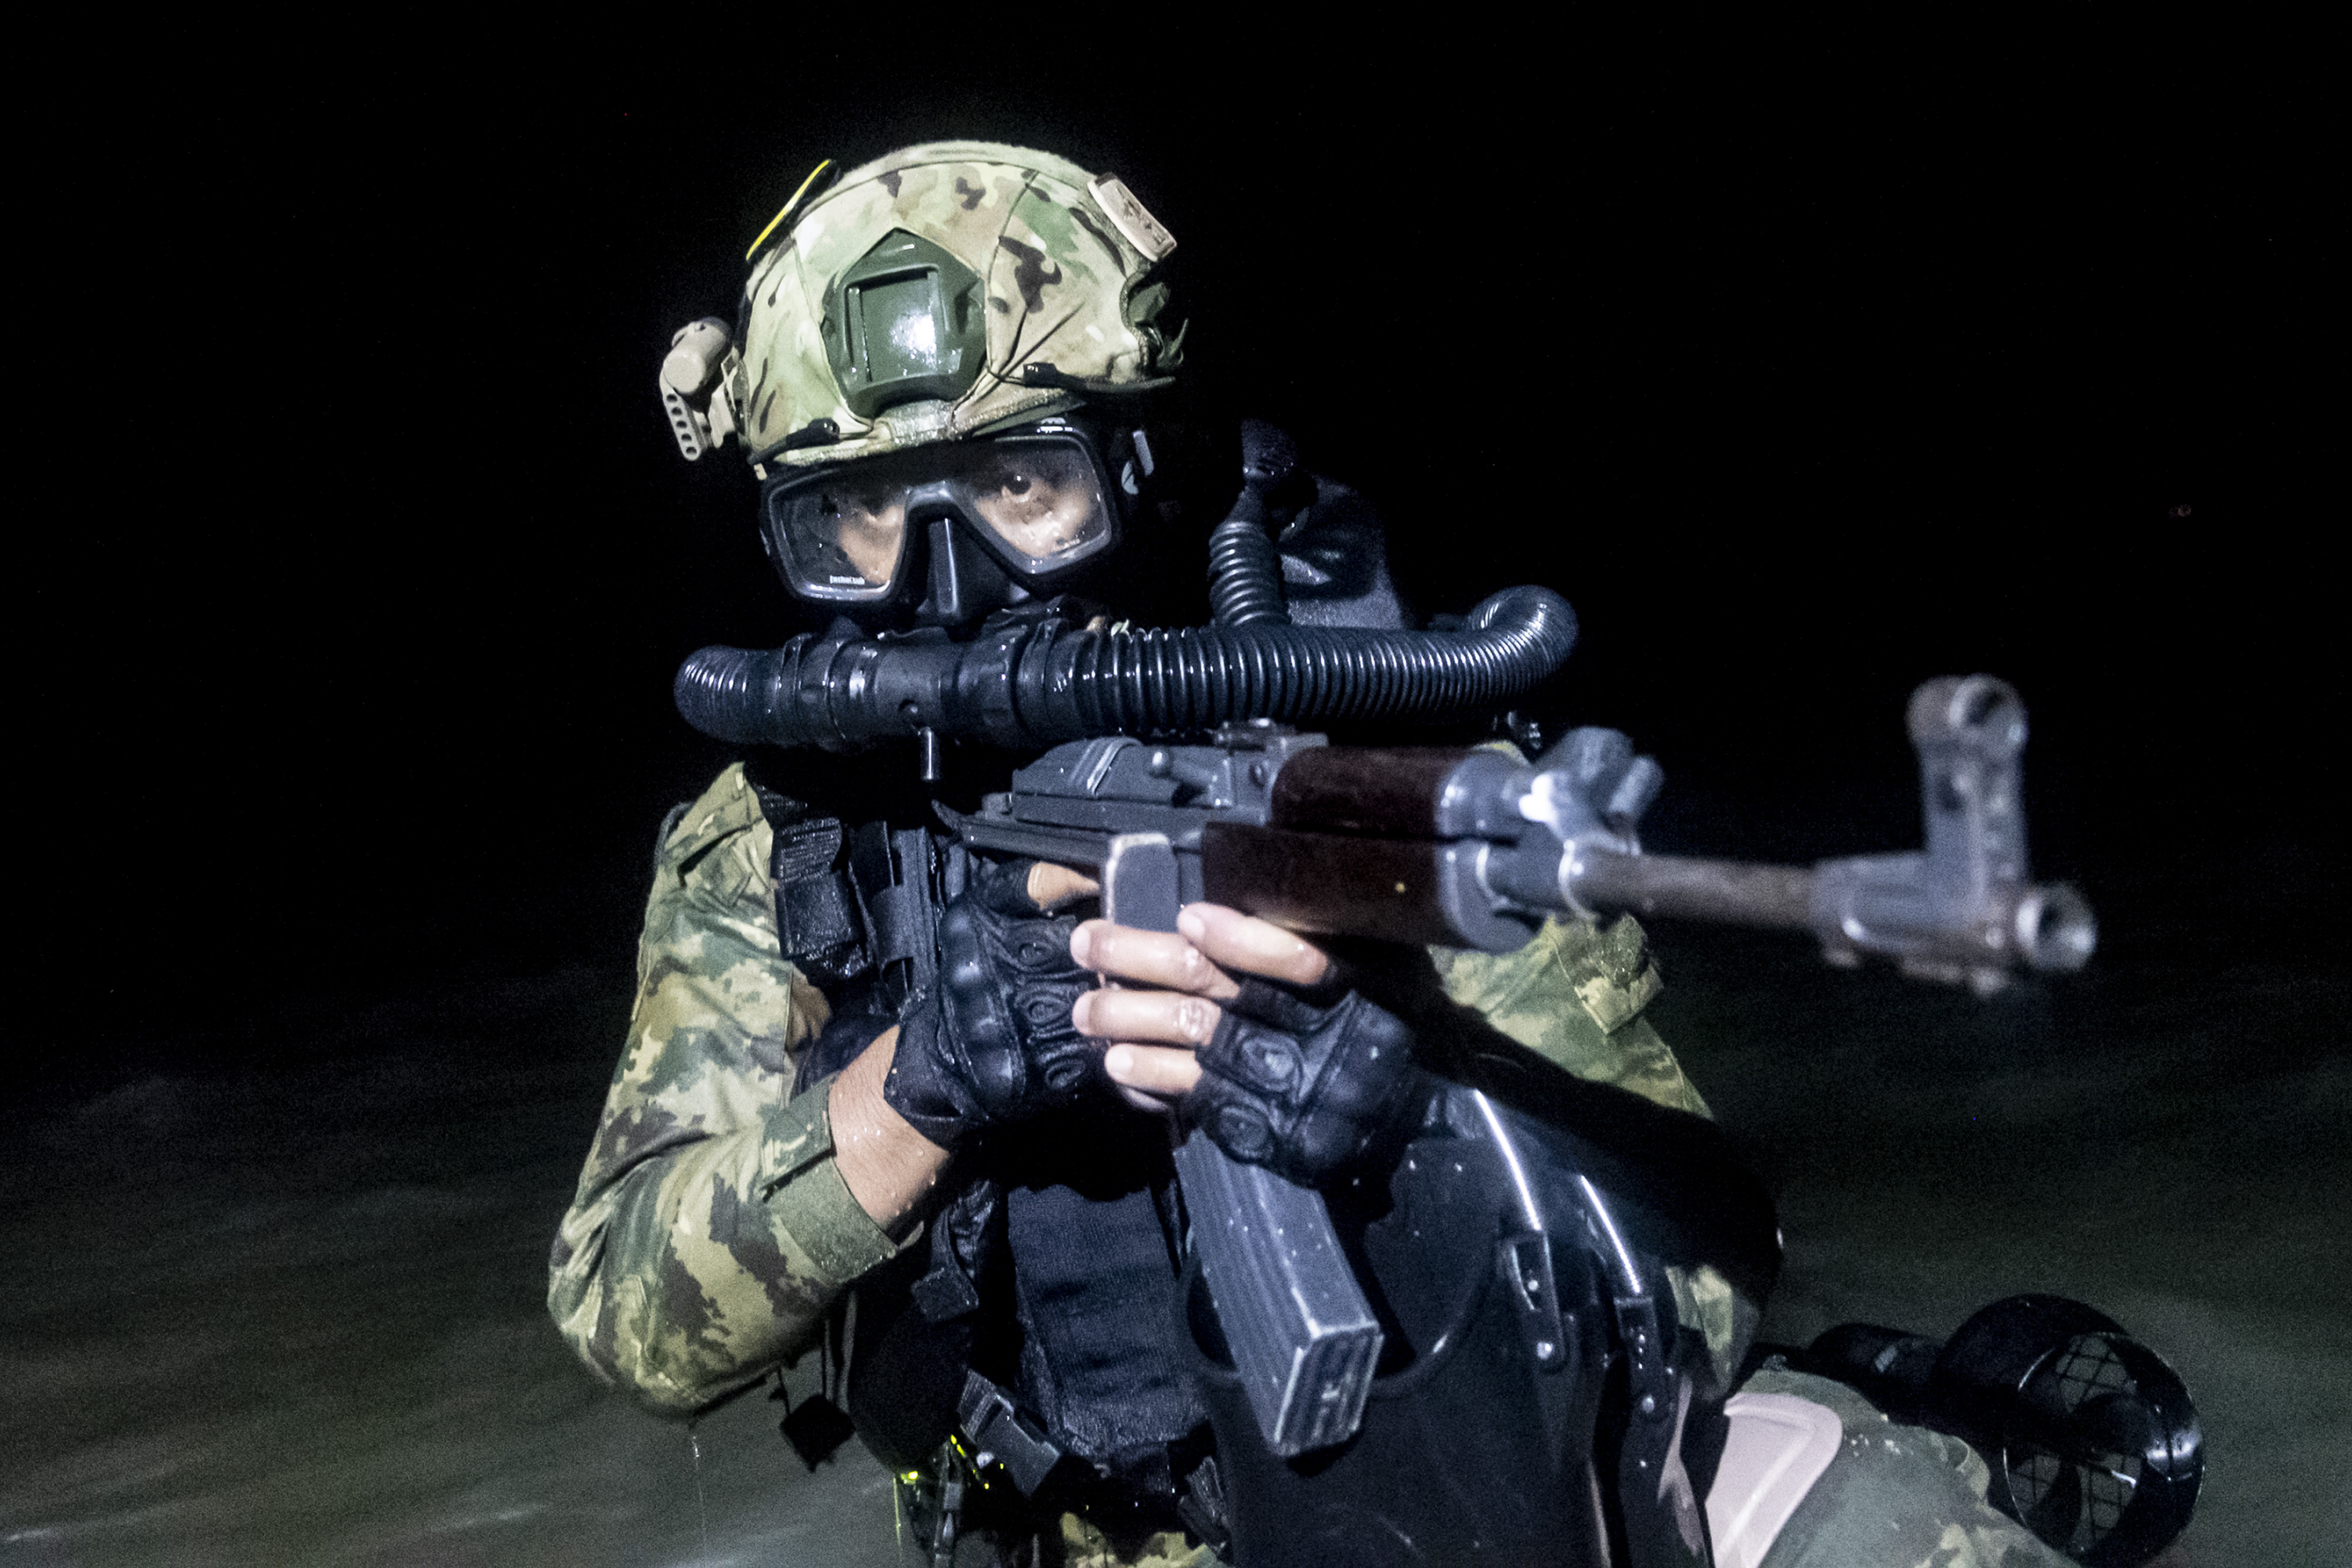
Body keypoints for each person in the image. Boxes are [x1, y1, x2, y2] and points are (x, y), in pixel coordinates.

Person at [551, 142, 2078, 1568]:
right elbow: (630, 1316)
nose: (953, 579)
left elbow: (1707, 1265)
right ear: (789, 539)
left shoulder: (1343, 761)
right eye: (866, 513)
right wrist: (926, 1075)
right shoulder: (770, 839)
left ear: (1136, 470)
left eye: (1025, 484)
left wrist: (1421, 1133)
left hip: (1466, 1483)